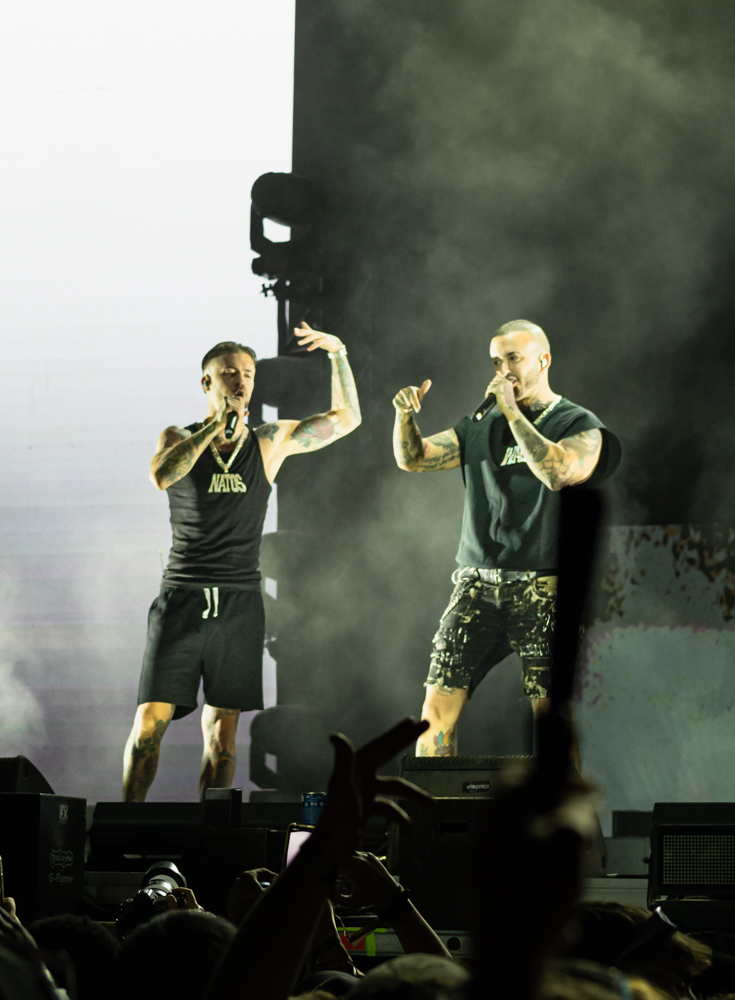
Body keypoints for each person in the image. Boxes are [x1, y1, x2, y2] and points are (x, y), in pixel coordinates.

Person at [123, 322, 361, 801]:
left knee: (223, 740)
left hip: (239, 602)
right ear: (207, 382)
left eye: (248, 374)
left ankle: (210, 833)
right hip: (183, 597)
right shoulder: (178, 436)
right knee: (150, 725)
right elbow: (161, 477)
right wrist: (217, 425)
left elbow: (346, 419)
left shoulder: (269, 441)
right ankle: (123, 825)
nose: (240, 381)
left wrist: (338, 354)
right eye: (229, 372)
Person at [392, 319, 621, 759]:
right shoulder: (481, 423)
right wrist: (404, 417)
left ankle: (558, 800)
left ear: (543, 359)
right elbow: (414, 459)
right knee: (434, 715)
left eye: (513, 358)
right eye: (496, 361)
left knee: (553, 719)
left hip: (543, 588)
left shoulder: (578, 423)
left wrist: (513, 412)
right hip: (477, 585)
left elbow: (558, 473)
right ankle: (435, 800)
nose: (503, 370)